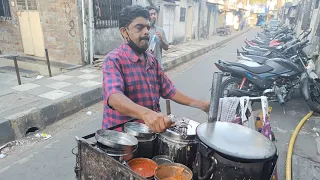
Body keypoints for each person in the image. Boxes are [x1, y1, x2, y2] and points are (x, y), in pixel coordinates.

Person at [102, 5, 210, 133]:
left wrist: (201, 104)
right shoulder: (114, 59)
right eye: (139, 27)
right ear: (124, 32)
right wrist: (146, 114)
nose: (146, 31)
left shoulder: (152, 60)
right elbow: (114, 97)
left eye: (147, 27)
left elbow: (170, 91)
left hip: (149, 135)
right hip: (122, 140)